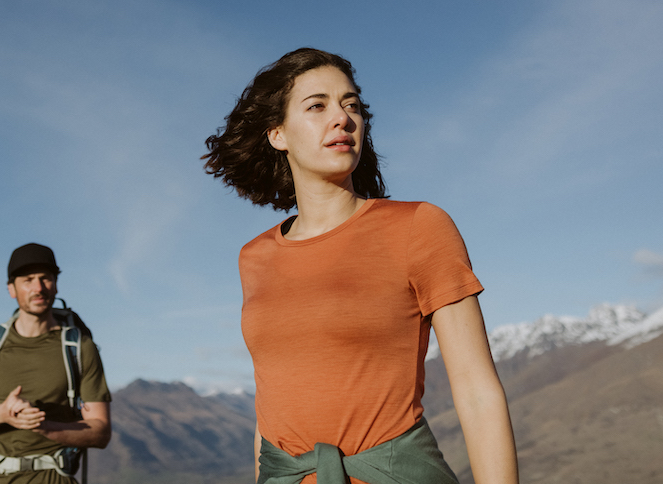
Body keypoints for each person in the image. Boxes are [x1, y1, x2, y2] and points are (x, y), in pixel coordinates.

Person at [203, 48, 518, 484]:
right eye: (317, 106)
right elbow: (271, 400)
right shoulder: (254, 257)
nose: (342, 118)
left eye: (351, 105)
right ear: (278, 134)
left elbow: (477, 390)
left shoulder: (419, 226)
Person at [0, 243, 112, 484]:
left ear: (56, 284)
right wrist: (2, 413)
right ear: (11, 289)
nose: (38, 288)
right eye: (28, 280)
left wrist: (44, 427)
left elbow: (101, 432)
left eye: (46, 278)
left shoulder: (79, 348)